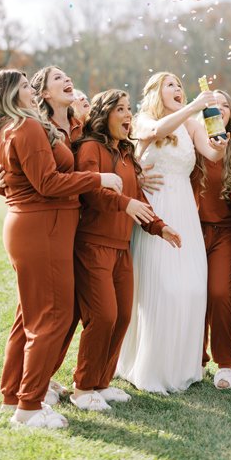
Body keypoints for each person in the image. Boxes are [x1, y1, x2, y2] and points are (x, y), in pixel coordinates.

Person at [0, 69, 119, 429]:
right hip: (43, 227)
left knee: (34, 315)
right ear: (13, 95)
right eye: (25, 86)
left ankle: (20, 394)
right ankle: (28, 407)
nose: (32, 90)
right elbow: (47, 182)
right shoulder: (26, 128)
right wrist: (98, 178)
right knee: (52, 318)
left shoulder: (23, 126)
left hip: (42, 227)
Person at [71, 90, 181, 411]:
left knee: (121, 317)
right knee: (103, 316)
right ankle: (82, 388)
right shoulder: (91, 148)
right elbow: (91, 190)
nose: (128, 114)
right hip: (93, 245)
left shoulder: (125, 153)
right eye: (120, 109)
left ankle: (101, 384)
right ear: (104, 114)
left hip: (122, 248)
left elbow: (137, 199)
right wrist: (124, 202)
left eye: (130, 109)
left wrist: (160, 227)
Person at [117, 72, 226, 394]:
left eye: (181, 84)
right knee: (160, 288)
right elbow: (156, 131)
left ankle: (184, 366)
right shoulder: (143, 120)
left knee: (192, 287)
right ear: (155, 91)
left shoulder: (191, 123)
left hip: (184, 213)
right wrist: (193, 105)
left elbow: (212, 153)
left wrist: (220, 142)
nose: (178, 88)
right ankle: (150, 366)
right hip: (155, 210)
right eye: (171, 85)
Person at [195, 89, 231, 390]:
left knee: (217, 293)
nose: (217, 109)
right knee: (192, 294)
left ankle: (224, 363)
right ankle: (195, 358)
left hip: (225, 230)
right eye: (211, 105)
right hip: (193, 228)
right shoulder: (191, 140)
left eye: (224, 105)